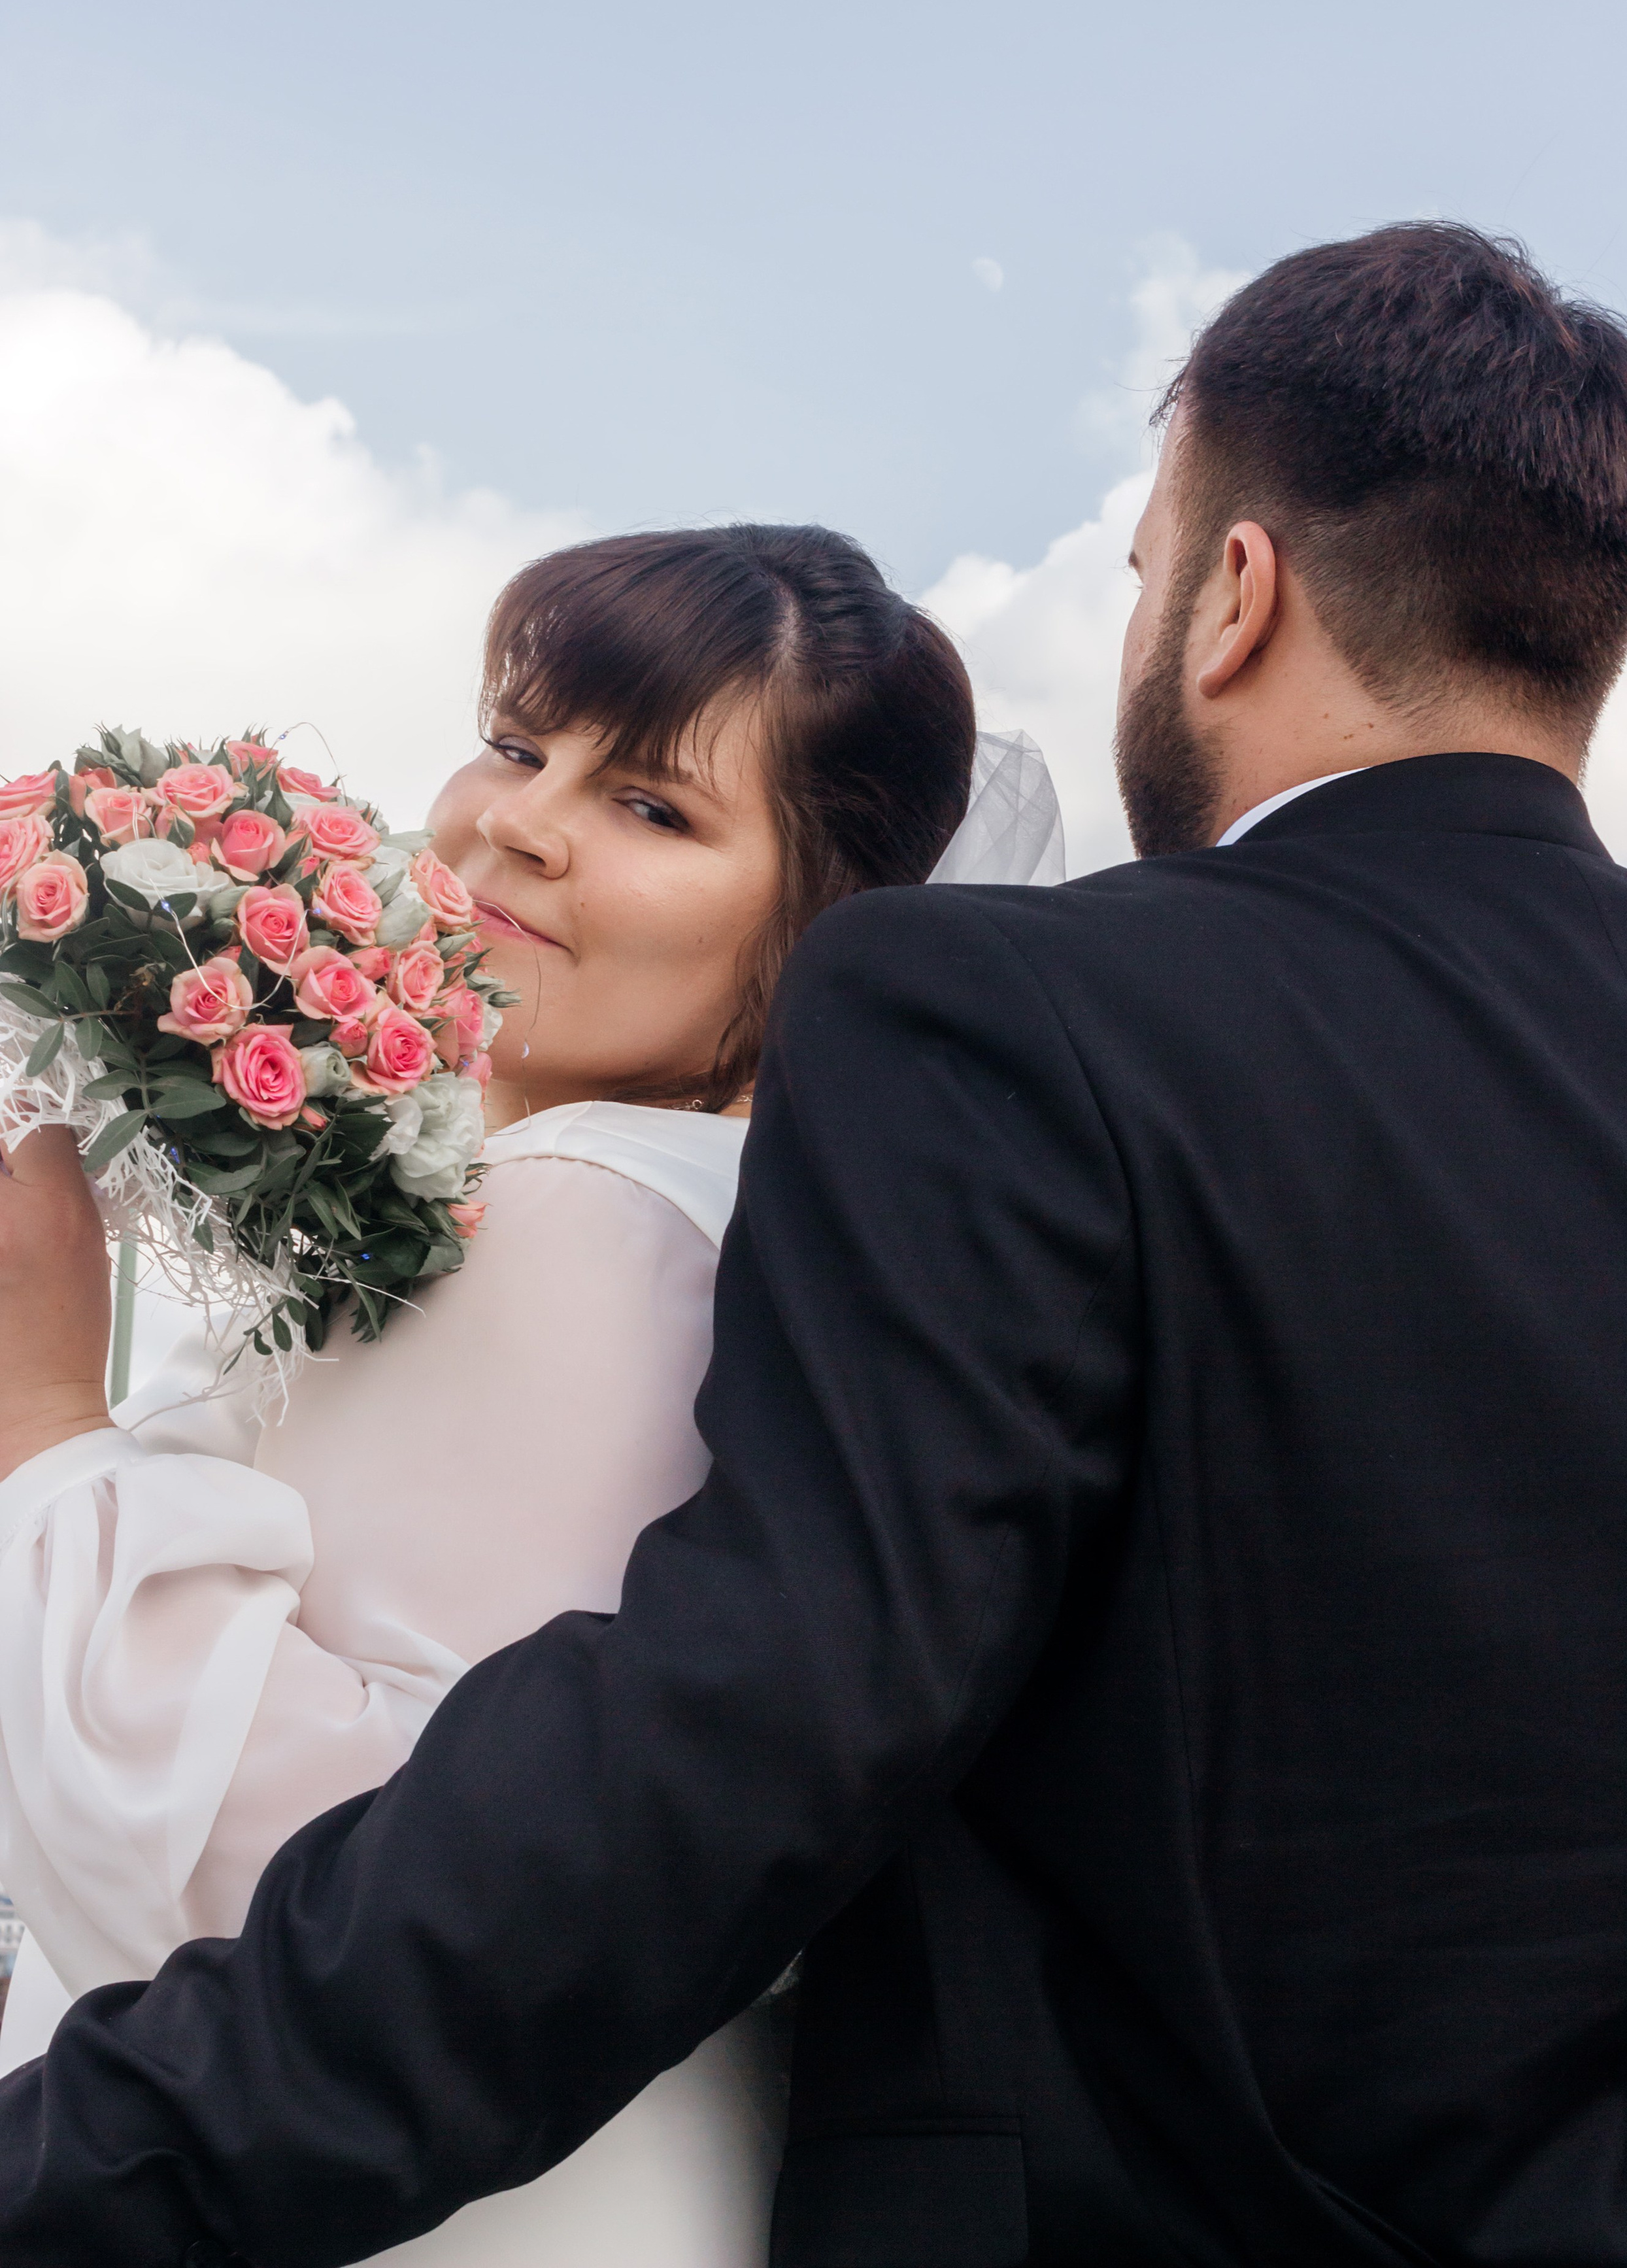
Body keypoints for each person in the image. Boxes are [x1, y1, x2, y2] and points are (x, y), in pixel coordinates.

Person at [2, 220, 1627, 2268]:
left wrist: (71, 2170)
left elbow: (730, 1762)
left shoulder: (1013, 1012)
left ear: (1231, 596)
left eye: (1145, 568)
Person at [0, 520, 1060, 2265]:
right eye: (517, 739)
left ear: (820, 936)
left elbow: (324, 1875)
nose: (520, 822)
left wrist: (47, 1419)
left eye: (653, 809)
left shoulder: (591, 1219)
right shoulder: (729, 1231)